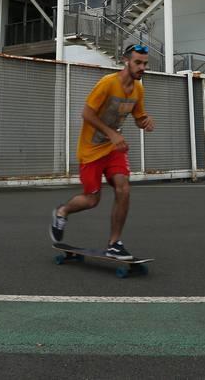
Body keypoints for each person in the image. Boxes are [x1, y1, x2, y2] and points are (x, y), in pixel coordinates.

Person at [50, 44, 155, 260]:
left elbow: (137, 117)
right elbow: (86, 113)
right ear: (126, 61)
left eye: (145, 63)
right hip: (91, 150)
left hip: (113, 150)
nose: (142, 67)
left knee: (123, 189)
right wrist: (112, 133)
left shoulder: (138, 90)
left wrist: (144, 121)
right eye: (138, 62)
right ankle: (62, 212)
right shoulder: (108, 84)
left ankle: (114, 243)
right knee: (91, 200)